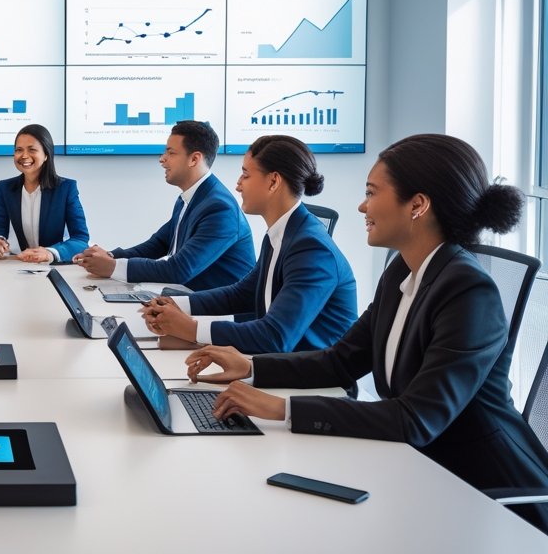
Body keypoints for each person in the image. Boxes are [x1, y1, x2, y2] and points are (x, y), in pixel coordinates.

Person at [186, 134, 548, 534]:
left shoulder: (468, 292)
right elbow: (340, 360)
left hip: (489, 496)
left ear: (417, 205)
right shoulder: (400, 272)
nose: (362, 206)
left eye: (372, 193)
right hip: (418, 471)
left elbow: (416, 419)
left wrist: (279, 409)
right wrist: (251, 366)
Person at [141, 135, 357, 353]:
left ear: (273, 181)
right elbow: (242, 294)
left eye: (245, 175)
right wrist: (175, 304)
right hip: (281, 366)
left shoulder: (312, 249)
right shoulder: (281, 233)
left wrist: (191, 329)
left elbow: (274, 337)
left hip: (313, 382)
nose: (237, 185)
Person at [73, 120, 253, 289]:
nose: (162, 159)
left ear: (194, 159)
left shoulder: (220, 209)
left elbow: (180, 269)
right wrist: (109, 257)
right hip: (191, 299)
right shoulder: (190, 198)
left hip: (222, 315)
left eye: (171, 153)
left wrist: (112, 267)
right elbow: (158, 244)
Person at [0, 124, 89, 264]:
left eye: (32, 150)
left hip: (59, 266)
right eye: (19, 150)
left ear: (46, 155)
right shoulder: (4, 188)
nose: (24, 156)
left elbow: (81, 240)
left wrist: (49, 253)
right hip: (23, 266)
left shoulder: (66, 188)